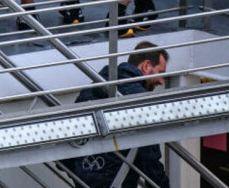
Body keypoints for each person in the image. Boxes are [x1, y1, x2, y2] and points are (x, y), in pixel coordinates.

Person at [66, 42, 170, 187]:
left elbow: (70, 134)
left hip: (84, 177)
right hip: (117, 181)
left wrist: (76, 172)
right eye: (160, 73)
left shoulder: (96, 84)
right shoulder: (140, 99)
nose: (160, 81)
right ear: (146, 66)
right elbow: (149, 157)